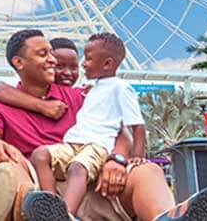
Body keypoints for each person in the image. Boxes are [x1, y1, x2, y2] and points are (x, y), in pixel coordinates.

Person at [0, 29, 207, 221]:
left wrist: (116, 159)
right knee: (15, 172)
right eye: (44, 54)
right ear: (18, 62)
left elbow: (119, 130)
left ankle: (168, 219)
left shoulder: (81, 96)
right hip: (42, 191)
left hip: (94, 183)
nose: (53, 60)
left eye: (51, 53)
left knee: (146, 171)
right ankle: (54, 213)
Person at [26, 33, 146, 219]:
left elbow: (136, 125)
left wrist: (137, 156)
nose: (83, 64)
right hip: (73, 143)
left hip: (97, 145)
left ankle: (65, 215)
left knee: (77, 169)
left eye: (87, 59)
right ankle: (50, 206)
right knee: (40, 155)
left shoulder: (121, 88)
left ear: (107, 64)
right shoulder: (91, 89)